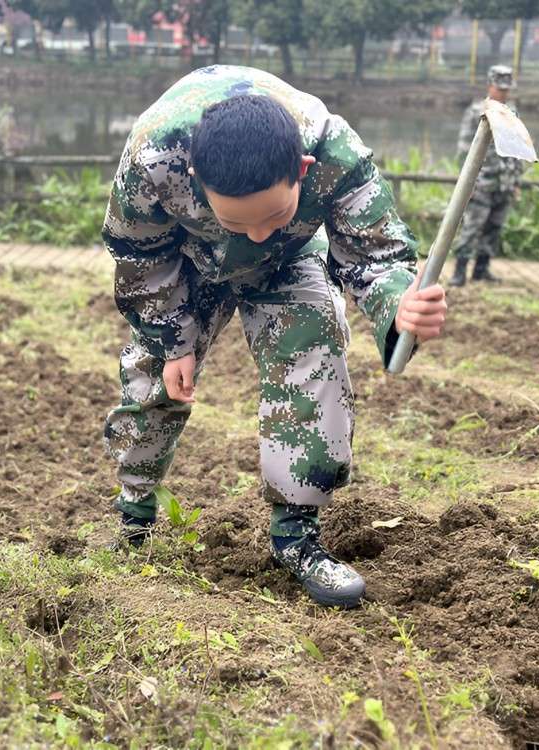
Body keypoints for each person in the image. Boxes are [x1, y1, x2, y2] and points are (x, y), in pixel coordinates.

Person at [101, 66, 447, 609]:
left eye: (274, 212)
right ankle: (133, 518)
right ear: (193, 179)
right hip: (188, 262)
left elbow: (376, 256)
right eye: (240, 222)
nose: (257, 230)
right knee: (152, 378)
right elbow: (139, 257)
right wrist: (174, 341)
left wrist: (400, 305)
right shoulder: (152, 158)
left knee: (315, 349)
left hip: (289, 260)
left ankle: (297, 538)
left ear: (303, 170)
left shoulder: (334, 150)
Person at [450, 64, 525, 287]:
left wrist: (516, 181)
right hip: (482, 183)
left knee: (494, 227)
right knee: (472, 228)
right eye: (499, 88)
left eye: (507, 89)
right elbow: (464, 149)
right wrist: (467, 183)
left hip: (504, 182)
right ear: (490, 85)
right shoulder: (476, 112)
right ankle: (459, 272)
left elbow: (518, 149)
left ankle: (482, 270)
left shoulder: (512, 113)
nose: (503, 93)